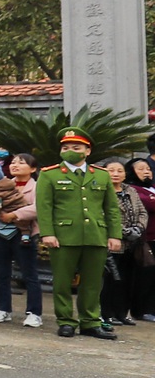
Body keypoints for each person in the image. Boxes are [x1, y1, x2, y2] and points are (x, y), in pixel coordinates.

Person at [33, 128, 122, 340]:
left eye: (76, 147)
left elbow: (111, 208)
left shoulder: (100, 175)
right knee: (62, 282)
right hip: (63, 236)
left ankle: (90, 322)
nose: (70, 151)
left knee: (92, 283)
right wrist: (48, 233)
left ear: (87, 150)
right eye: (65, 148)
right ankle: (65, 321)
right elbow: (44, 207)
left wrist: (115, 235)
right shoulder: (49, 174)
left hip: (95, 235)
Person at [0, 155, 44, 325]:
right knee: (1, 273)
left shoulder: (37, 187)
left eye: (21, 163)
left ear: (32, 169)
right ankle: (3, 309)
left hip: (23, 233)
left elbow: (38, 207)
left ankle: (34, 312)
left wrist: (13, 215)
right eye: (14, 162)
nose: (15, 165)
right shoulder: (2, 182)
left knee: (29, 273)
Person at [98, 158, 148, 329]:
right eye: (111, 170)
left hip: (133, 244)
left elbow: (142, 211)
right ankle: (107, 314)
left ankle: (122, 313)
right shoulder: (101, 191)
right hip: (112, 242)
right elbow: (103, 215)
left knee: (127, 281)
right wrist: (122, 232)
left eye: (119, 171)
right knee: (111, 280)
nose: (115, 174)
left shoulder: (131, 190)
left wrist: (138, 228)